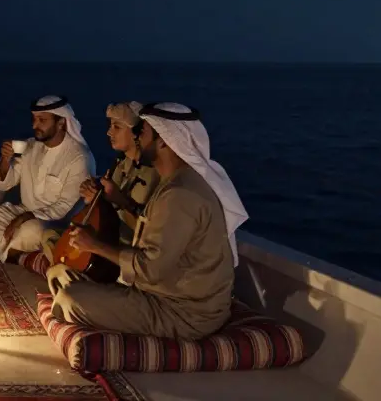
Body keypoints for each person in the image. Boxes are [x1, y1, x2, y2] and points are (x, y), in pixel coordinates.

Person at [51, 102, 249, 340]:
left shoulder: (180, 194)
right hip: (161, 295)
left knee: (68, 298)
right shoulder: (175, 182)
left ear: (164, 140)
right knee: (59, 273)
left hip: (183, 313)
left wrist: (94, 246)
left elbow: (150, 269)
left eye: (142, 132)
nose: (137, 138)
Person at [0, 95, 92, 262]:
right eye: (34, 119)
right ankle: (17, 252)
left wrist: (25, 218)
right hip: (23, 212)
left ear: (61, 122)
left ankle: (11, 251)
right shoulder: (31, 145)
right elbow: (5, 184)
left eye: (42, 120)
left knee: (32, 231)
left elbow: (64, 208)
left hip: (52, 223)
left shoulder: (79, 157)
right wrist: (5, 160)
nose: (34, 125)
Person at [80, 101, 162, 244]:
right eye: (110, 126)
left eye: (117, 127)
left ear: (136, 133)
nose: (109, 132)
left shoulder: (155, 173)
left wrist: (120, 201)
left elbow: (151, 232)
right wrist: (94, 197)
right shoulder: (120, 164)